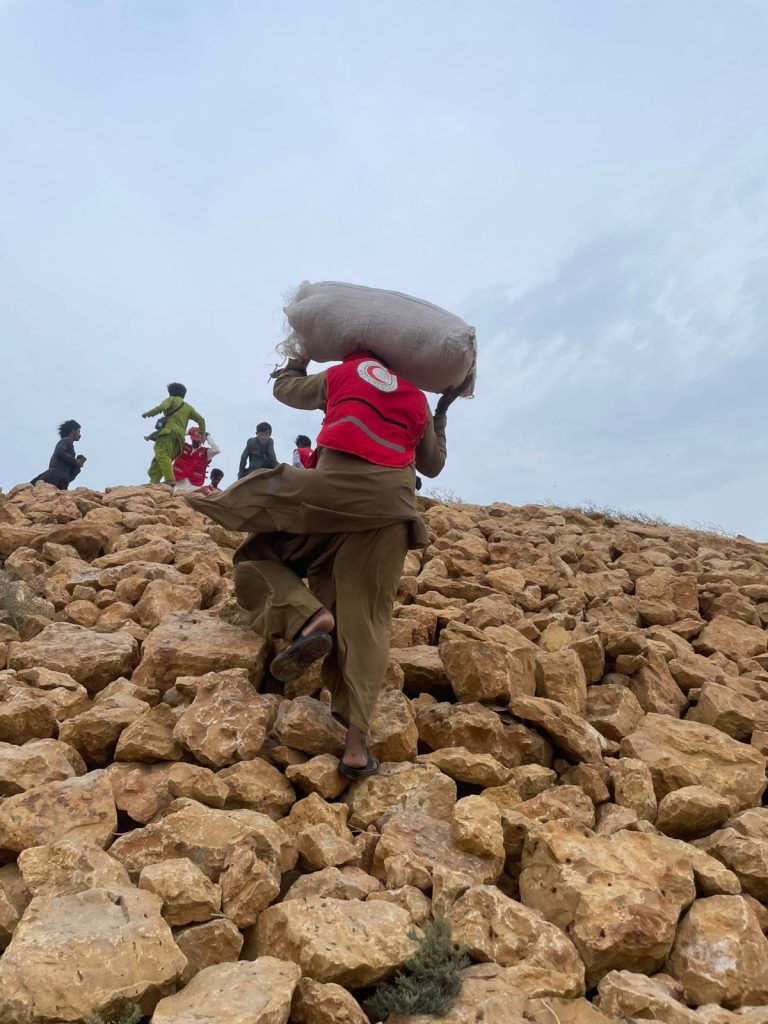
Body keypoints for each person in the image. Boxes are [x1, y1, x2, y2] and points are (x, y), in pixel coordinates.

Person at [187, 349, 467, 779]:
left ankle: (308, 615)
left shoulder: (345, 374)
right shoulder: (416, 399)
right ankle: (355, 749)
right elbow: (433, 464)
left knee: (256, 555)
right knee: (367, 617)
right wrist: (441, 413)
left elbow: (287, 390)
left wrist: (295, 358)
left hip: (329, 499)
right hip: (391, 512)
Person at [142, 383, 206, 485]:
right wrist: (202, 435)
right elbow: (201, 420)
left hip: (168, 433)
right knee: (158, 461)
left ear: (170, 393)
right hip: (179, 440)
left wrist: (148, 414)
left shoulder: (171, 400)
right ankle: (154, 482)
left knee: (162, 455)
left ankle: (170, 480)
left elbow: (162, 407)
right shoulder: (188, 408)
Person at [31, 420, 86, 490]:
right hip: (56, 475)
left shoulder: (68, 444)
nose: (80, 435)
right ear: (73, 431)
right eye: (79, 431)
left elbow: (70, 476)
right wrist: (75, 461)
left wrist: (77, 466)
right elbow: (60, 452)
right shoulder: (67, 440)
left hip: (61, 478)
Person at [172, 427, 221, 493]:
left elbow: (217, 450)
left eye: (198, 439)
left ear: (201, 440)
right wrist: (188, 432)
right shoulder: (183, 446)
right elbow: (174, 437)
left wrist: (207, 437)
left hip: (193, 486)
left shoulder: (206, 452)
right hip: (178, 481)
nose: (196, 441)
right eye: (194, 439)